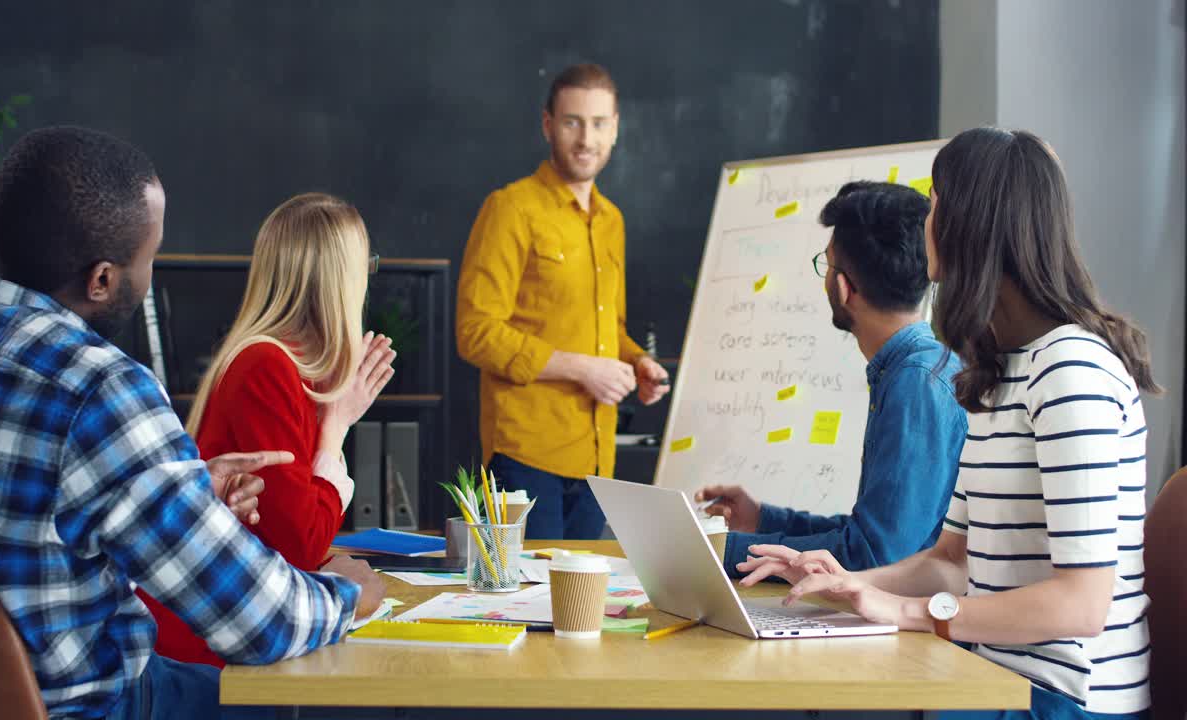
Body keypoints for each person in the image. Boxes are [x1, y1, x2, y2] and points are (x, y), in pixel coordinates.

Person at [0, 126, 385, 720]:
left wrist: (181, 487)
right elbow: (265, 622)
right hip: (92, 706)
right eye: (149, 256)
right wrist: (349, 595)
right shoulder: (104, 389)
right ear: (102, 279)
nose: (149, 275)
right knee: (276, 705)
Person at [739, 128, 1156, 720]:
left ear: (967, 224)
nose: (926, 220)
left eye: (934, 203)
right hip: (992, 678)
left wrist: (909, 612)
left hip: (1059, 702)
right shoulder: (997, 372)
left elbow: (1081, 605)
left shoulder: (1071, 370)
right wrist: (856, 587)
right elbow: (952, 562)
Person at [137, 193, 396, 668]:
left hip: (239, 627)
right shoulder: (267, 367)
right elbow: (302, 545)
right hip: (206, 651)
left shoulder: (288, 366)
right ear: (342, 279)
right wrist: (335, 429)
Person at [695, 181, 967, 573]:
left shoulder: (917, 382)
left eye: (826, 263)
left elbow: (873, 556)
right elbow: (869, 537)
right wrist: (763, 521)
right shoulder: (911, 370)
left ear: (843, 288)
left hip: (918, 631)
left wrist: (719, 552)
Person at [456, 63, 669, 540]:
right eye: (572, 122)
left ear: (615, 128)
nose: (585, 139)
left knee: (580, 612)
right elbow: (476, 332)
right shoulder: (511, 209)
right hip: (526, 455)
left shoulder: (611, 220)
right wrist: (583, 369)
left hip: (596, 455)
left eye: (598, 123)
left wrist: (635, 361)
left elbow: (605, 327)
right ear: (548, 124)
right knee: (527, 611)